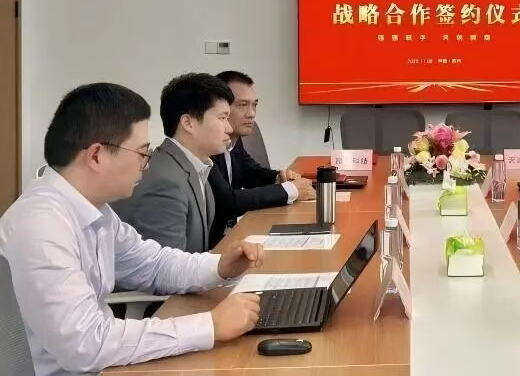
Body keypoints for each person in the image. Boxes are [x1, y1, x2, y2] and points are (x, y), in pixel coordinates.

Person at [0, 83, 263, 376]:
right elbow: (86, 345)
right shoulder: (41, 225)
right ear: (96, 155)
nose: (146, 166)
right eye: (142, 153)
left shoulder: (94, 209)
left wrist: (220, 267)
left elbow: (153, 264)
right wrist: (209, 325)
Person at [113, 73, 233, 252]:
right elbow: (164, 267)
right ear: (188, 123)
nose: (229, 128)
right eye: (222, 118)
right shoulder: (165, 183)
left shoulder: (194, 167)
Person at [208, 71, 316, 247]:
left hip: (232, 238)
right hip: (212, 248)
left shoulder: (234, 141)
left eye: (255, 105)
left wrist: (279, 177)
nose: (251, 114)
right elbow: (228, 201)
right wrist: (289, 190)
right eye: (242, 105)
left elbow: (251, 172)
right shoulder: (208, 147)